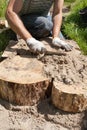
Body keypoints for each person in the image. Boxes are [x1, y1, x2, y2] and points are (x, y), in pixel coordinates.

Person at [5, 0, 72, 54]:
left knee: (62, 41)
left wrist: (56, 37)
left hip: (42, 18)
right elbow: (10, 12)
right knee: (46, 24)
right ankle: (20, 33)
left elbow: (57, 13)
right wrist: (29, 40)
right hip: (20, 19)